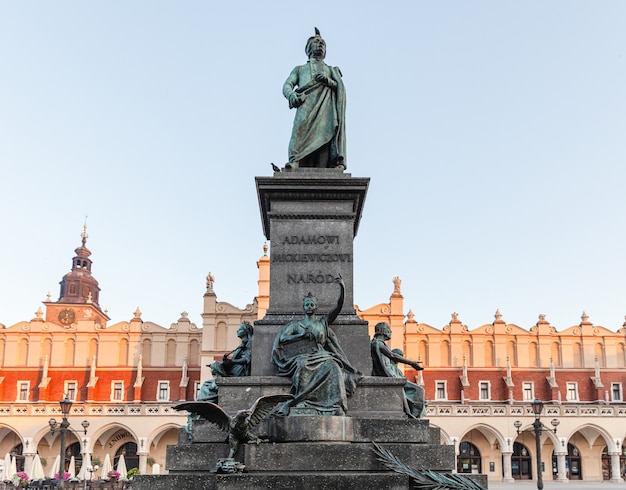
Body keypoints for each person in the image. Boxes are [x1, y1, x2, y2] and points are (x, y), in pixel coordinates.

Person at [272, 276, 361, 415]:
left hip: (321, 354)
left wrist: (342, 289)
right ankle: (302, 400)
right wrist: (300, 336)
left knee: (334, 366)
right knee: (303, 366)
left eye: (312, 304)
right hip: (301, 355)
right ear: (303, 307)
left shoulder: (322, 323)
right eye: (307, 304)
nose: (309, 307)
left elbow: (338, 307)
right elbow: (283, 338)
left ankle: (334, 404)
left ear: (316, 306)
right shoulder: (296, 325)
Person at [282, 28, 346, 170]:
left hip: (325, 107)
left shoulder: (330, 70)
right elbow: (287, 85)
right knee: (298, 133)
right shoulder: (299, 69)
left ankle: (324, 168)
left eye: (323, 43)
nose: (321, 44)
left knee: (324, 134)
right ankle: (294, 160)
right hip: (305, 104)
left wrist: (328, 81)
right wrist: (292, 95)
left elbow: (338, 87)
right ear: (308, 48)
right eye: (317, 42)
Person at [371, 322, 426, 418]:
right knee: (419, 390)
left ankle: (413, 415)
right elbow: (393, 355)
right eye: (388, 329)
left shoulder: (378, 343)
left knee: (415, 391)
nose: (390, 332)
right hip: (388, 376)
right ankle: (414, 416)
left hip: (390, 375)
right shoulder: (377, 343)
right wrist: (412, 363)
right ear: (383, 331)